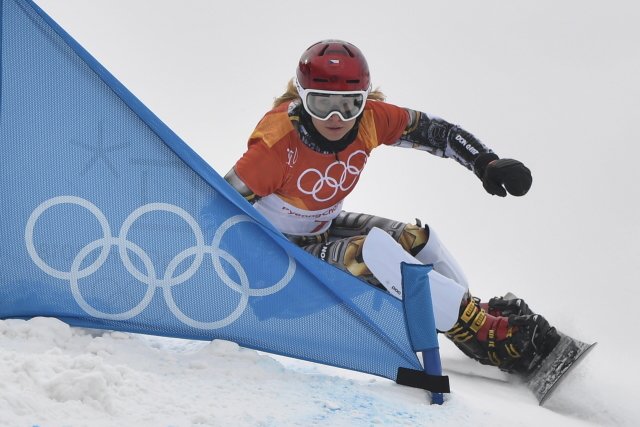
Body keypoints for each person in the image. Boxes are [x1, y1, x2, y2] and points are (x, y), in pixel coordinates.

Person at [224, 39, 559, 375]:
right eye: (321, 103)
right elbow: (216, 210)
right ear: (301, 97)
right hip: (276, 269)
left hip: (320, 233)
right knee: (371, 252)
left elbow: (438, 133)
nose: (336, 117)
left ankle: (469, 317)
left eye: (350, 103)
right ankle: (481, 329)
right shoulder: (276, 145)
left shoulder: (371, 119)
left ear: (364, 100)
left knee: (415, 240)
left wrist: (486, 163)